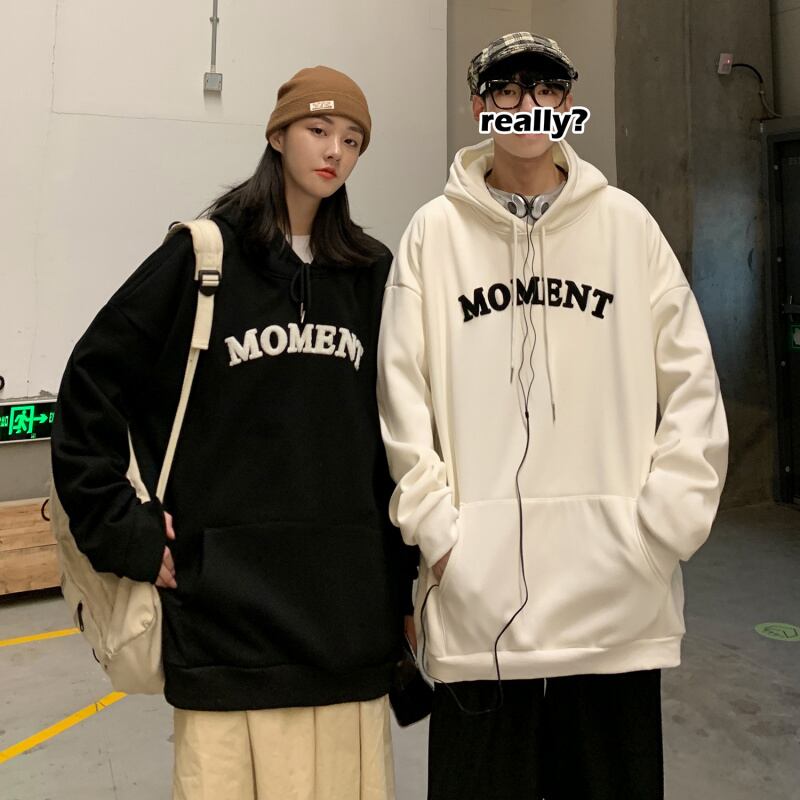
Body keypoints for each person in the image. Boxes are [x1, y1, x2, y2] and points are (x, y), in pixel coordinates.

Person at [377, 32, 729, 800]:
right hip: (478, 605)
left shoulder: (627, 227)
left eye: (544, 89)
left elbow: (693, 387)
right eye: (506, 90)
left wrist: (660, 532)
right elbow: (402, 401)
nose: (526, 106)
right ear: (480, 107)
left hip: (615, 602)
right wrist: (443, 541)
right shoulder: (434, 235)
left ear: (568, 103)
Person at [51, 65, 414, 800]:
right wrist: (125, 531)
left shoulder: (371, 273)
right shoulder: (203, 258)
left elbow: (396, 437)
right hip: (225, 621)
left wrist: (404, 583)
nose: (334, 152)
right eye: (318, 129)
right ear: (277, 136)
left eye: (352, 140)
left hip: (345, 622)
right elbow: (89, 387)